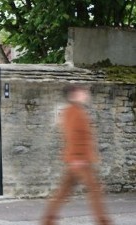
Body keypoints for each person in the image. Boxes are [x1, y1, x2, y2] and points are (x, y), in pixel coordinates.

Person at [41, 84, 112, 225]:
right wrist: (78, 157)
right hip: (79, 160)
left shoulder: (74, 111)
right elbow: (72, 136)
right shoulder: (74, 112)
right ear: (74, 94)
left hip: (77, 159)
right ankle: (103, 221)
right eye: (82, 92)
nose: (86, 94)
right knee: (94, 191)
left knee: (63, 192)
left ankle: (48, 220)